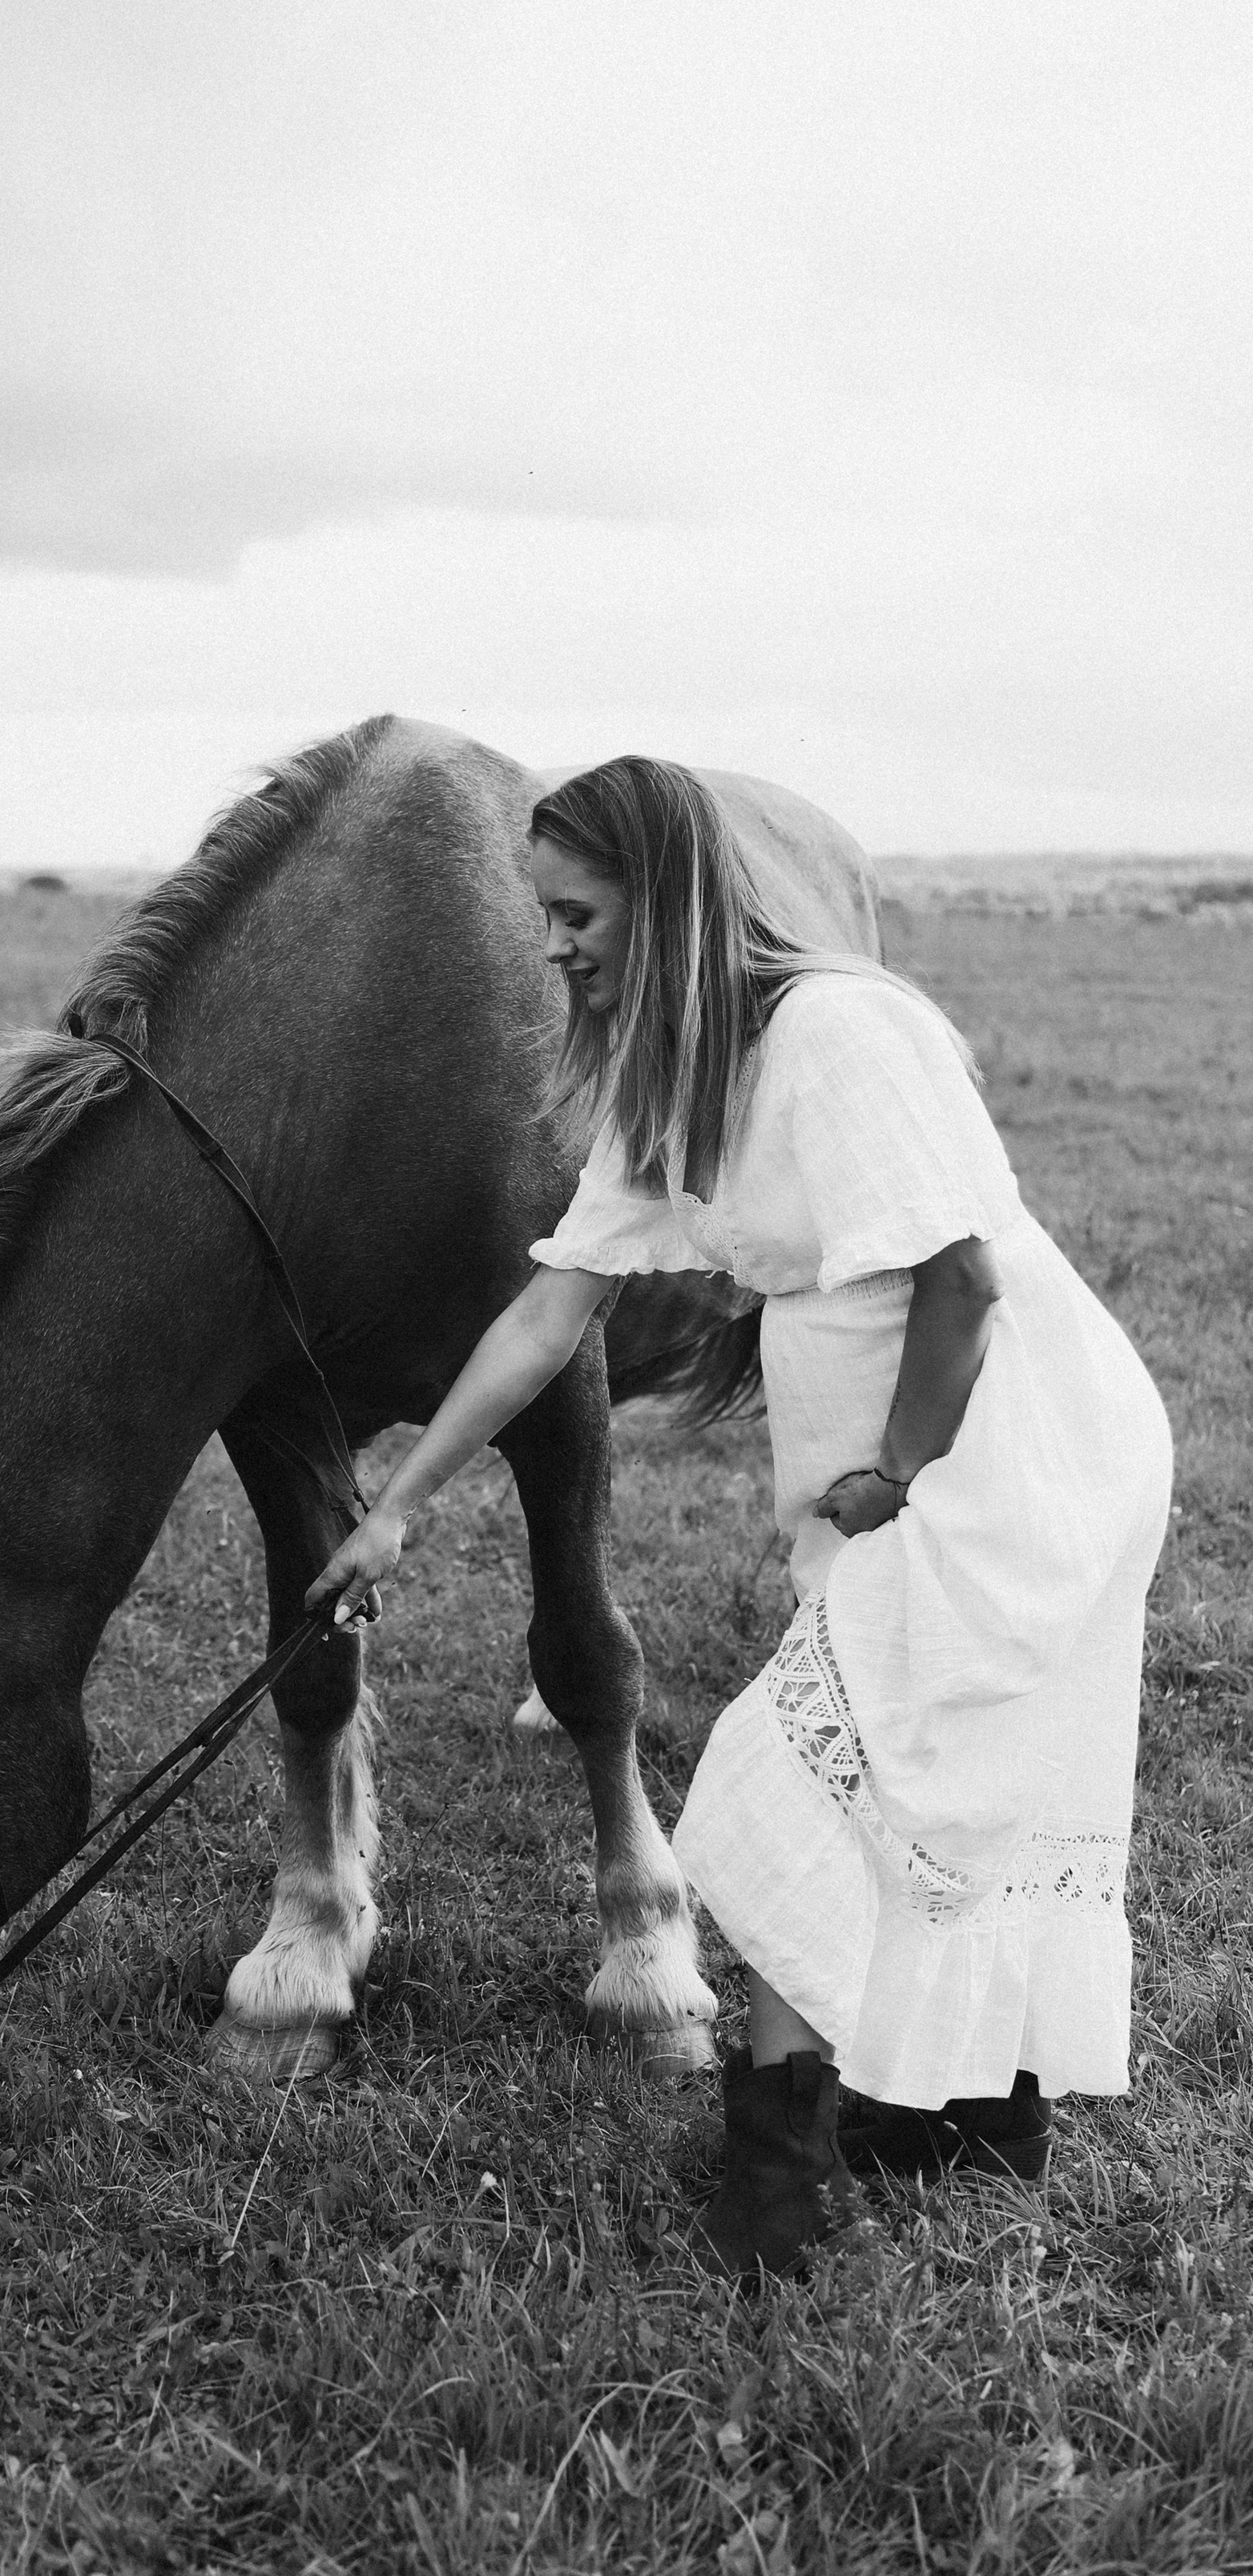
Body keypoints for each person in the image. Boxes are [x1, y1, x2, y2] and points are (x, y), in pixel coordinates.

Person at [308, 755, 1173, 2277]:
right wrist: (399, 1502)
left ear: (671, 898)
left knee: (788, 1774)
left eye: (577, 913)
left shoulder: (841, 1032)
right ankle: (970, 2114)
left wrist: (898, 1480)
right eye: (545, 918)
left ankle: (776, 2167)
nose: (556, 945)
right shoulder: (668, 1087)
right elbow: (543, 1316)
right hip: (876, 1456)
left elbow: (962, 1282)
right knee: (926, 1770)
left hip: (1001, 1433)